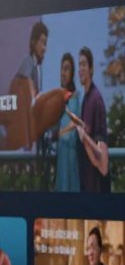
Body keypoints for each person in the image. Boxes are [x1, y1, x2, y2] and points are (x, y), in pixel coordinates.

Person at [72, 47, 110, 193]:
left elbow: (100, 143)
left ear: (91, 68)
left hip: (95, 181)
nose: (81, 69)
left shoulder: (96, 99)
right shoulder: (86, 98)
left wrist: (83, 135)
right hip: (86, 176)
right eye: (79, 65)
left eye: (84, 64)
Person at [54, 53, 81, 192]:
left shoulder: (75, 97)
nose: (63, 73)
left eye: (67, 69)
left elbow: (75, 124)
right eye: (62, 69)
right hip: (61, 156)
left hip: (71, 155)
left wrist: (61, 133)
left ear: (72, 73)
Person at [14, 21, 48, 98]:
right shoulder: (27, 63)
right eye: (42, 42)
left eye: (45, 44)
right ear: (33, 42)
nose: (44, 48)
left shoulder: (39, 68)